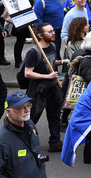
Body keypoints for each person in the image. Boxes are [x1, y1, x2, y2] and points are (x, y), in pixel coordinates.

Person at [0, 92, 48, 178]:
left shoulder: (30, 125)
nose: (27, 110)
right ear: (9, 112)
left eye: (28, 105)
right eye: (22, 108)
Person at [24, 22, 65, 152]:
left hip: (53, 88)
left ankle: (55, 141)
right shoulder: (33, 52)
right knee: (32, 117)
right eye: (50, 32)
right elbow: (28, 73)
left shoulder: (53, 45)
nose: (54, 33)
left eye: (53, 30)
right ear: (41, 36)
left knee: (55, 115)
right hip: (38, 90)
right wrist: (47, 77)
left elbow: (51, 63)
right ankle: (24, 140)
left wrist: (61, 62)